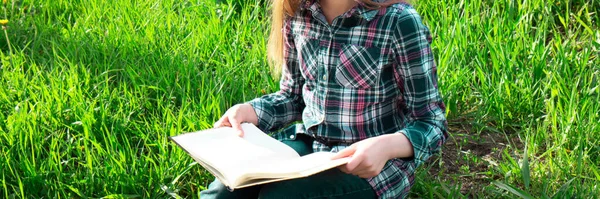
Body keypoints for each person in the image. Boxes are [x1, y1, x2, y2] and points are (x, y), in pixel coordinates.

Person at [201, 0, 448, 198]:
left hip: (374, 168)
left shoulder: (398, 21)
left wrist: (386, 146)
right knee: (225, 189)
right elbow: (294, 97)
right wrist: (250, 111)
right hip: (313, 148)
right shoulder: (298, 14)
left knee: (281, 195)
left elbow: (431, 122)